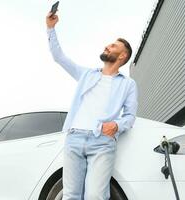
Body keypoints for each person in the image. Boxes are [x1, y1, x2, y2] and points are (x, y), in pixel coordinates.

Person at [46, 11, 138, 200]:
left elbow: (130, 115)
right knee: (71, 195)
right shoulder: (87, 74)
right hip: (74, 138)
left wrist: (116, 125)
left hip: (102, 143)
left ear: (122, 56)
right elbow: (59, 57)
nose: (107, 46)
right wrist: (50, 28)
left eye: (113, 46)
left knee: (96, 196)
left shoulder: (128, 84)